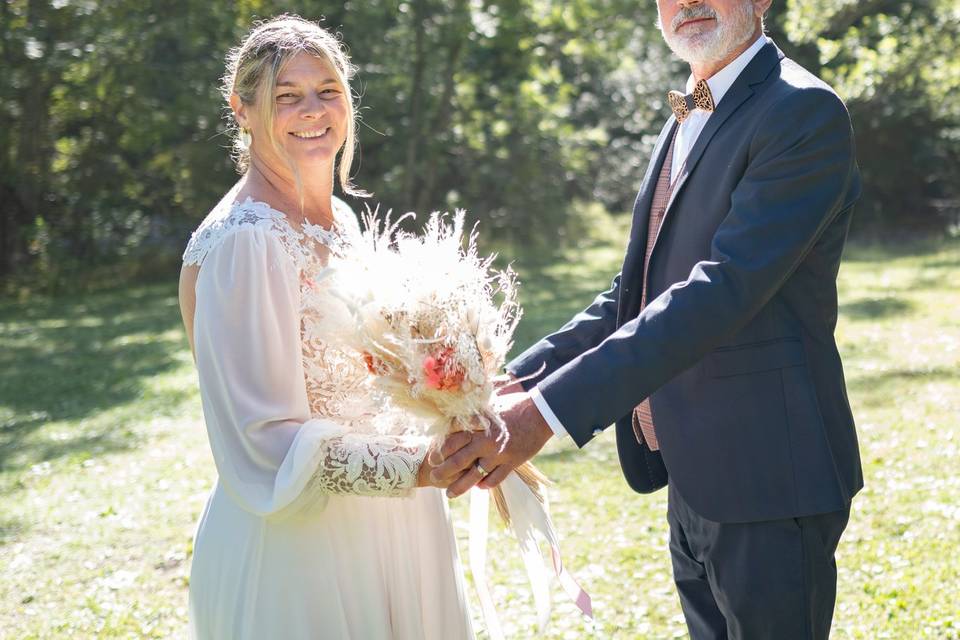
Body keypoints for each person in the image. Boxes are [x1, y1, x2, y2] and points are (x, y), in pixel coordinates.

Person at [433, 1, 863, 638]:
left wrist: (545, 414)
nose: (687, 2)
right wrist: (513, 385)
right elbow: (632, 295)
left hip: (770, 474)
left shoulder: (801, 111)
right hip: (692, 472)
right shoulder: (686, 112)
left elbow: (717, 292)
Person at [178, 16, 474, 640]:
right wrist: (414, 468)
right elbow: (265, 440)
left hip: (393, 527)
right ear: (243, 110)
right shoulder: (248, 242)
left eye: (328, 90)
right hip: (302, 547)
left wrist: (448, 393)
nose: (313, 110)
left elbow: (363, 373)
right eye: (287, 96)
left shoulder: (340, 217)